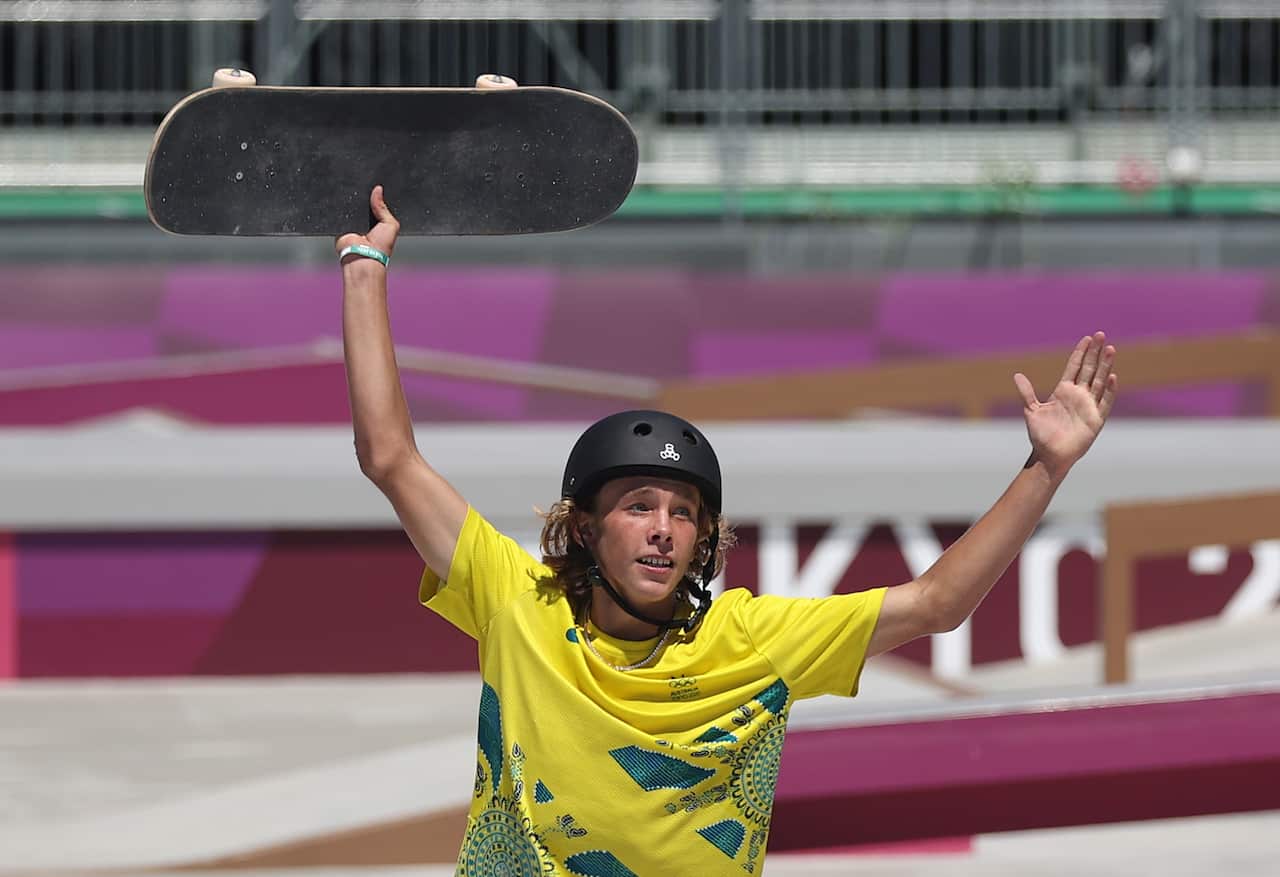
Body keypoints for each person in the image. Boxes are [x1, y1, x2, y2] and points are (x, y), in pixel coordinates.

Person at [336, 145, 1118, 877]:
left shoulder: (748, 642)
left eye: (684, 514)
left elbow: (939, 603)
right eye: (639, 506)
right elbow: (390, 457)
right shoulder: (517, 602)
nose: (664, 530)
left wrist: (1046, 467)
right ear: (583, 528)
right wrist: (366, 270)